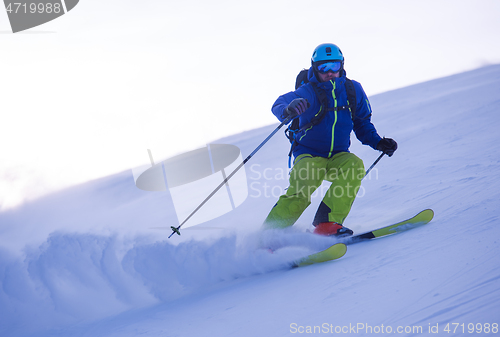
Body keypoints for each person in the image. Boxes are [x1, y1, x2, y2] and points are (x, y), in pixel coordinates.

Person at [262, 43, 397, 236]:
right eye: (323, 68)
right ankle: (268, 236)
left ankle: (327, 224)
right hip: (309, 154)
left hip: (338, 156)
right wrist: (287, 109)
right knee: (302, 188)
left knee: (354, 166)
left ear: (342, 65)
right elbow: (279, 102)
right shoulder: (308, 91)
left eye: (334, 66)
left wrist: (378, 142)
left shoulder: (353, 90)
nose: (330, 72)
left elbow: (362, 123)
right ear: (314, 69)